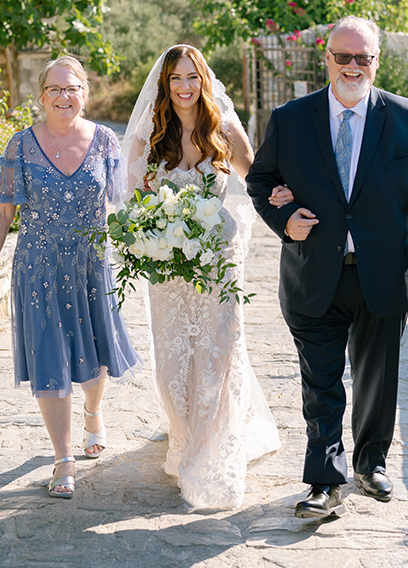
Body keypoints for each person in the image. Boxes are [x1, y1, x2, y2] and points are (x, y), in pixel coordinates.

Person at [246, 16, 408, 519]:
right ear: (327, 59)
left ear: (376, 61)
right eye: (343, 56)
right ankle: (324, 480)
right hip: (312, 273)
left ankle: (370, 463)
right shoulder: (291, 118)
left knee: (376, 379)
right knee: (320, 383)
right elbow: (260, 180)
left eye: (363, 57)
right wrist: (283, 218)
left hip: (383, 275)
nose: (353, 66)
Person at [123, 44, 285, 510]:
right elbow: (134, 206)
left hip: (217, 260)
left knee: (216, 355)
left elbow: (257, 181)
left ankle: (209, 453)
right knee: (175, 362)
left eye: (192, 77)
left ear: (204, 80)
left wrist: (288, 203)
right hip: (168, 266)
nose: (184, 86)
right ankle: (185, 433)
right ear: (164, 84)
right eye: (176, 78)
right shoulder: (148, 136)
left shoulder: (224, 129)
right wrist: (156, 232)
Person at [0, 55, 142, 499]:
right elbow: (2, 212)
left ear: (85, 93)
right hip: (39, 267)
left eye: (72, 89)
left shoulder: (106, 141)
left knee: (95, 356)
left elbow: (126, 203)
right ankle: (63, 457)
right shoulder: (20, 146)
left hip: (92, 264)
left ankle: (94, 411)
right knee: (51, 357)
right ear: (42, 96)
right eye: (55, 89)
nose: (64, 97)